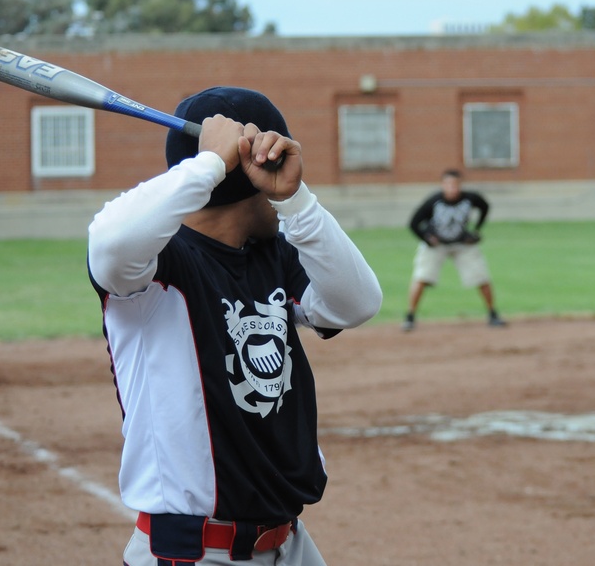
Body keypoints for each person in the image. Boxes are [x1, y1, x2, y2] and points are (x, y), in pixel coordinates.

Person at [87, 86, 382, 566]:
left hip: (289, 543)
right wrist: (209, 166)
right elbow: (109, 239)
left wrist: (298, 202)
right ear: (249, 171)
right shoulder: (157, 266)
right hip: (196, 552)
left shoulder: (274, 254)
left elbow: (357, 303)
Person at [403, 168, 505, 331]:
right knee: (421, 276)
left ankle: (493, 314)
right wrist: (427, 238)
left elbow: (485, 207)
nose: (452, 188)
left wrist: (477, 230)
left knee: (481, 276)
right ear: (443, 185)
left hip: (462, 243)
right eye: (449, 184)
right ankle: (409, 317)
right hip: (437, 245)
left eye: (455, 184)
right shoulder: (434, 201)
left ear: (460, 185)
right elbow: (413, 223)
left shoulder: (470, 199)